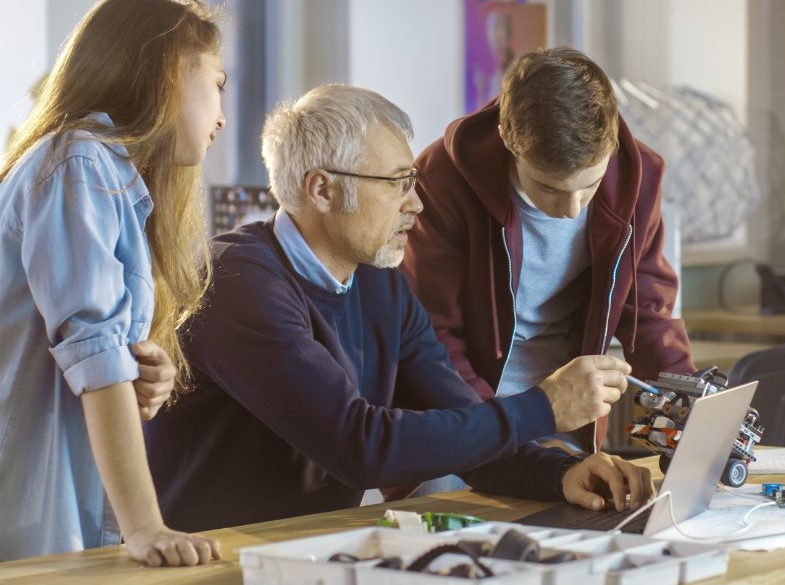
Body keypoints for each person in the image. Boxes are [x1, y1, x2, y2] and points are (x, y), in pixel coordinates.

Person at [143, 84, 652, 534]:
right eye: (398, 183)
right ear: (322, 188)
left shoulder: (381, 285)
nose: (417, 204)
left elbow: (460, 425)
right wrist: (542, 407)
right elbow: (359, 448)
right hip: (206, 564)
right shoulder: (237, 282)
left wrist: (561, 473)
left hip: (310, 552)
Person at [0, 0, 226, 565]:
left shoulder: (103, 171)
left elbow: (97, 361)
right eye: (218, 84)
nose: (222, 115)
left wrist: (135, 376)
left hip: (55, 505)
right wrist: (146, 527)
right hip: (30, 512)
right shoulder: (80, 161)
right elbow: (94, 356)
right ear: (173, 70)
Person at [402, 47, 695, 453]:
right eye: (549, 189)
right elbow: (432, 335)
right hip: (459, 420)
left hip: (569, 417)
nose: (571, 210)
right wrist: (500, 438)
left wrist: (692, 412)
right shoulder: (441, 181)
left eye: (589, 187)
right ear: (507, 139)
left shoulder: (639, 177)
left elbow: (648, 315)